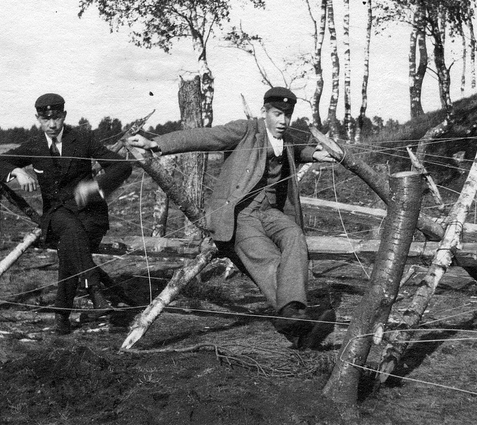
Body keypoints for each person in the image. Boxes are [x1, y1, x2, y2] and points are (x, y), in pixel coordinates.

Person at [126, 86, 336, 349]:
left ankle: (292, 320)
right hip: (242, 215)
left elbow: (295, 148)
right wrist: (157, 143)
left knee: (294, 235)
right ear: (264, 111)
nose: (282, 121)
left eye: (288, 115)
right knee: (266, 258)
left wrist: (315, 154)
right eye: (277, 114)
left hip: (271, 212)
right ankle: (295, 317)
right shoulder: (246, 131)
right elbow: (207, 136)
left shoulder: (287, 137)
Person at [0, 93, 133, 335]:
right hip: (57, 215)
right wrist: (17, 172)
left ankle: (62, 315)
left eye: (56, 119)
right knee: (71, 232)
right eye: (45, 120)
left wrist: (96, 186)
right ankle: (94, 289)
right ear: (38, 119)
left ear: (64, 115)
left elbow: (122, 166)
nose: (52, 125)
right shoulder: (34, 146)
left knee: (71, 245)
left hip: (90, 215)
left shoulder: (83, 139)